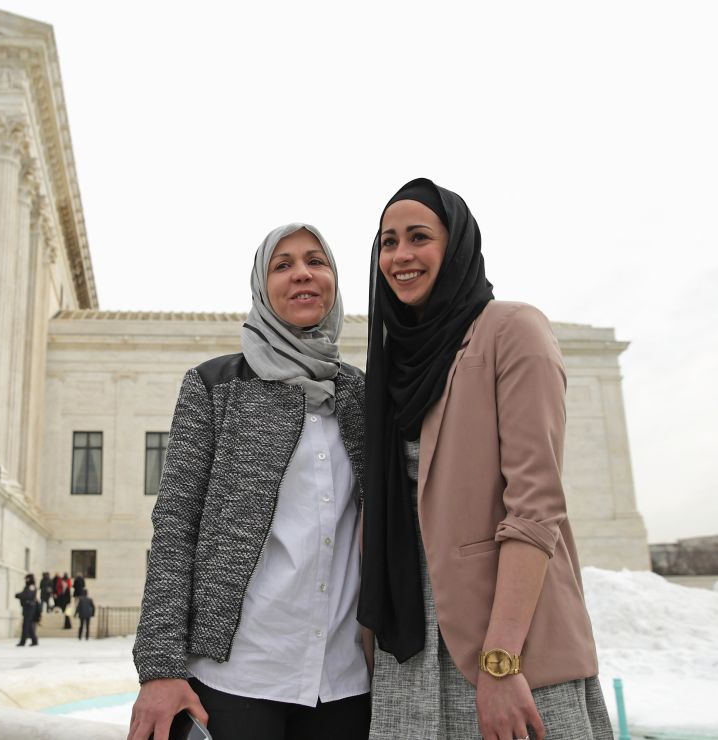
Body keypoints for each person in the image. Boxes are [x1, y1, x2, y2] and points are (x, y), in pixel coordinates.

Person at [359, 178, 613, 739]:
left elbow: (535, 506)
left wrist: (501, 661)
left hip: (506, 636)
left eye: (419, 237)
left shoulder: (511, 330)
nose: (400, 256)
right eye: (387, 242)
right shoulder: (389, 362)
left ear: (457, 245)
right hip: (410, 645)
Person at [129, 224, 371, 740]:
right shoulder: (215, 386)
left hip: (345, 681)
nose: (302, 273)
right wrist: (159, 665)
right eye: (282, 265)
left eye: (316, 261)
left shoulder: (362, 396)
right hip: (238, 678)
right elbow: (175, 526)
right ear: (262, 287)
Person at [14, 573, 39, 647]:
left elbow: (28, 595)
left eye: (27, 578)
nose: (26, 580)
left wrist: (19, 595)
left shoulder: (31, 586)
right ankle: (34, 640)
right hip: (27, 607)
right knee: (29, 625)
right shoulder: (28, 586)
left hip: (30, 607)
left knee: (26, 624)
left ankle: (23, 641)